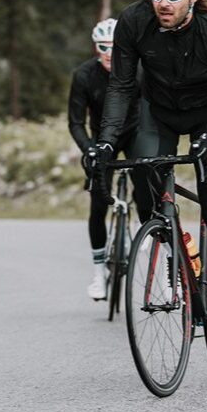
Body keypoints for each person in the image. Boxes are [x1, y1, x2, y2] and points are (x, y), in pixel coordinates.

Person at [85, 0, 207, 349]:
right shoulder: (134, 21)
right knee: (147, 188)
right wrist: (105, 143)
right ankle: (174, 244)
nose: (163, 2)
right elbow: (121, 87)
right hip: (157, 113)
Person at [68, 18, 142, 300]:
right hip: (102, 137)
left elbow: (150, 108)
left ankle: (142, 224)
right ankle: (99, 272)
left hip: (134, 132)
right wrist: (88, 148)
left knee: (146, 183)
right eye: (103, 47)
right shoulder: (84, 75)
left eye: (116, 47)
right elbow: (75, 122)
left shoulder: (138, 71)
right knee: (98, 202)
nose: (110, 53)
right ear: (95, 48)